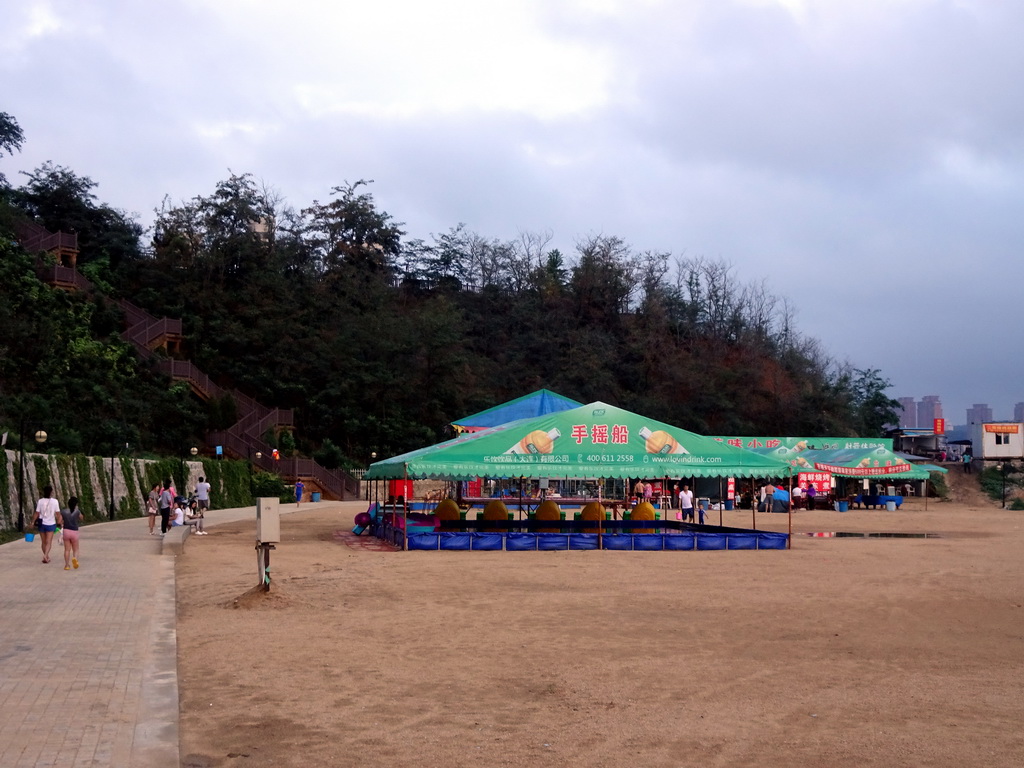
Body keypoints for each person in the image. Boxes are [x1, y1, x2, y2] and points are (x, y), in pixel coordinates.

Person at [31, 485, 60, 563]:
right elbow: (58, 514)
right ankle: (45, 555)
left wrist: (33, 522)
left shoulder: (40, 501)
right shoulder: (55, 501)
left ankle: (46, 556)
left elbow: (37, 513)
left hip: (41, 524)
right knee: (48, 542)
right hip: (51, 524)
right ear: (51, 492)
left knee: (43, 542)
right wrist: (60, 521)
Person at [59, 496, 84, 570]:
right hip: (74, 531)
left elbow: (59, 521)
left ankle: (67, 565)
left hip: (66, 531)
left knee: (67, 550)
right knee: (75, 549)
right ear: (76, 504)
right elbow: (81, 518)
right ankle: (75, 559)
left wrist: (62, 523)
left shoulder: (63, 511)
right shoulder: (77, 511)